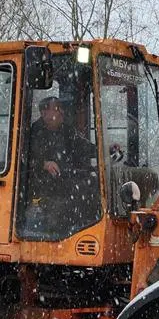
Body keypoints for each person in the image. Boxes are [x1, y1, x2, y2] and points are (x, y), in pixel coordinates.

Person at [22, 96, 98, 237]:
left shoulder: (66, 130)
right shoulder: (33, 133)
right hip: (42, 187)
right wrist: (44, 164)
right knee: (62, 207)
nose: (62, 111)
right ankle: (56, 235)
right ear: (44, 113)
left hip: (65, 181)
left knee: (92, 186)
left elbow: (82, 146)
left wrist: (102, 150)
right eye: (57, 108)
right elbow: (24, 158)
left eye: (61, 108)